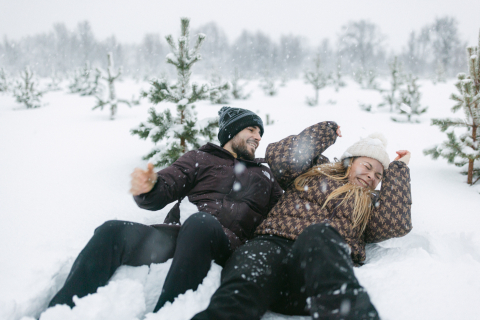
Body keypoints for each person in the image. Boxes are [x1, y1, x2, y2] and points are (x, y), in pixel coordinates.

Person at [46, 107, 283, 312]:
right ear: (232, 132)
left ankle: (167, 312)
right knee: (111, 231)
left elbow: (282, 216)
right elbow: (168, 183)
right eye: (251, 129)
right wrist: (150, 186)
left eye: (260, 133)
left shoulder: (265, 174)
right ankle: (61, 310)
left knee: (201, 224)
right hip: (177, 234)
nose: (258, 137)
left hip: (225, 243)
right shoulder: (200, 158)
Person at [192, 121, 412, 320]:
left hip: (314, 275)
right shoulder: (315, 170)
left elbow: (396, 223)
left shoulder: (370, 202)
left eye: (379, 176)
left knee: (320, 234)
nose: (371, 176)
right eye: (367, 166)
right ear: (349, 161)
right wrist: (323, 133)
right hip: (270, 248)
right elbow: (281, 159)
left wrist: (398, 170)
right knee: (238, 292)